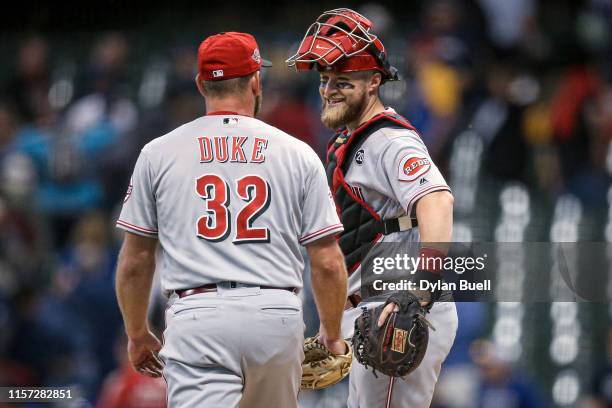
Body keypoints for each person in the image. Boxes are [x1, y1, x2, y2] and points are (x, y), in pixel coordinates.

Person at [114, 32, 348, 408]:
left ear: (200, 84)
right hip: (276, 313)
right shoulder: (297, 153)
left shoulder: (158, 153)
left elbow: (135, 262)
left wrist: (138, 333)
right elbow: (327, 261)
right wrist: (332, 333)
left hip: (198, 313)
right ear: (256, 81)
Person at [287, 9, 458, 407]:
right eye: (325, 80)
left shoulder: (388, 140)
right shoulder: (352, 140)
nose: (329, 89)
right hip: (372, 309)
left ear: (373, 82)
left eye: (343, 81)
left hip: (398, 309)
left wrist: (421, 287)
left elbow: (437, 200)